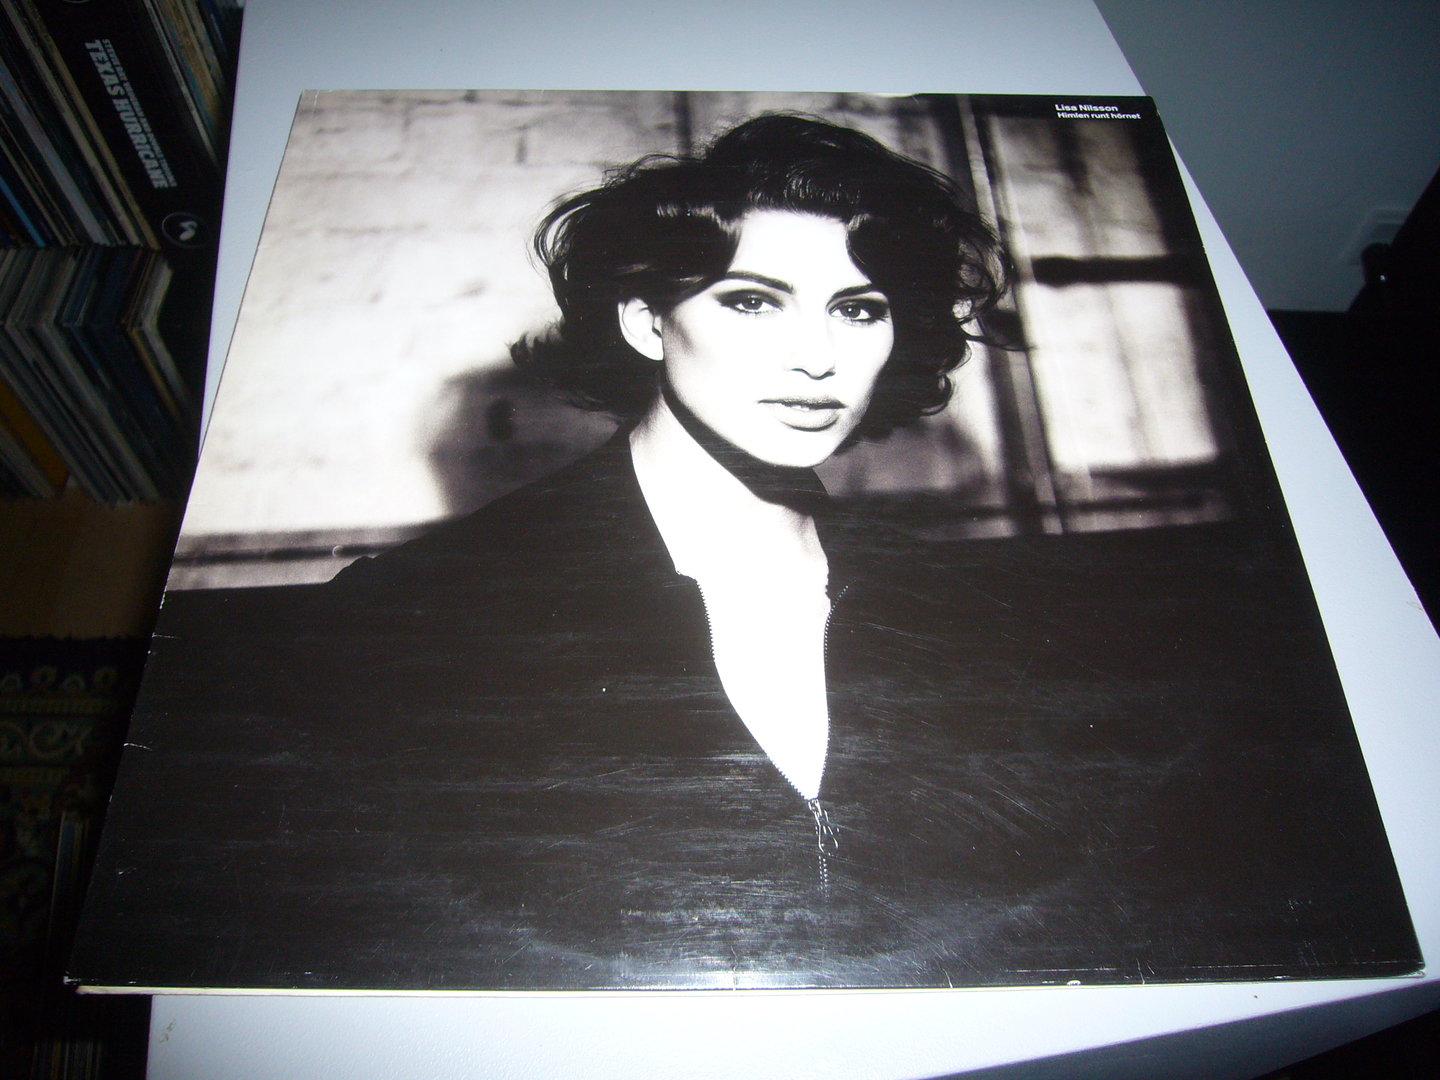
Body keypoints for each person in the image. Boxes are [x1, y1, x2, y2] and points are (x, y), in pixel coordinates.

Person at [72, 111, 1419, 994]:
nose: (819, 355)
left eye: (861, 307)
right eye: (755, 300)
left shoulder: (994, 603)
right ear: (647, 323)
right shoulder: (413, 618)